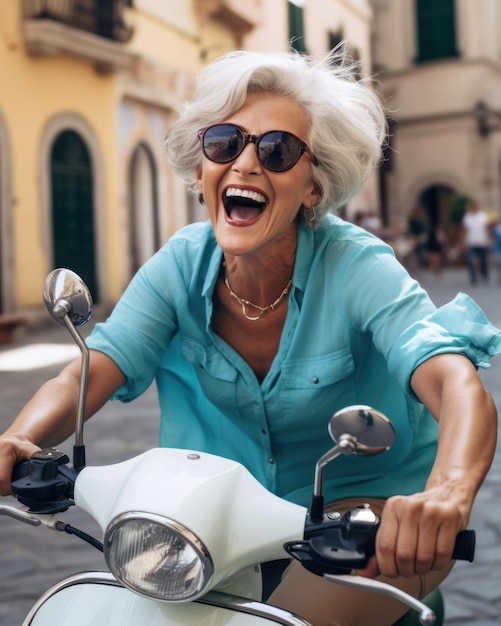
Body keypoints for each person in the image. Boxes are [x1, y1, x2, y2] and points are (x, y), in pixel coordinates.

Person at [1, 47, 500, 626]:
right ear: (201, 170)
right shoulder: (179, 265)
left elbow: (456, 382)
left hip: (367, 520)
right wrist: (19, 437)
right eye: (224, 143)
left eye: (278, 150)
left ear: (313, 186)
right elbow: (90, 371)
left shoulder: (357, 265)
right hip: (205, 523)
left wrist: (446, 494)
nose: (245, 163)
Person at [461, 200, 491, 285]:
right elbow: (464, 229)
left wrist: (488, 239)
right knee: (471, 260)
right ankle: (473, 278)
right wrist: (463, 241)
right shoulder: (467, 217)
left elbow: (486, 228)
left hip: (482, 242)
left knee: (483, 260)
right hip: (471, 242)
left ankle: (484, 275)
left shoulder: (482, 216)